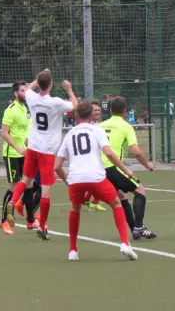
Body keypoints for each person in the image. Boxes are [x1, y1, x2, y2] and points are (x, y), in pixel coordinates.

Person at [55, 101, 138, 261]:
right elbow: (109, 153)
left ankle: (73, 250)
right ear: (92, 115)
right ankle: (125, 243)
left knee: (75, 208)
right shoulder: (97, 130)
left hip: (75, 178)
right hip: (96, 176)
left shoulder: (70, 134)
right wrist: (125, 169)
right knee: (116, 203)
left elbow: (57, 166)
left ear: (77, 115)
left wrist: (68, 181)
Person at [7, 69, 78, 240]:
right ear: (51, 84)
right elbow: (75, 106)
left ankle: (12, 202)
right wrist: (69, 90)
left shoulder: (31, 97)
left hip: (33, 146)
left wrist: (37, 79)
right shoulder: (56, 102)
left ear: (39, 83)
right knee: (46, 189)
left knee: (25, 179)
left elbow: (26, 90)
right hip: (47, 150)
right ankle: (43, 227)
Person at [100, 96, 157, 240]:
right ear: (124, 111)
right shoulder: (125, 126)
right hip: (111, 166)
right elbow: (136, 152)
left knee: (121, 196)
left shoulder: (100, 125)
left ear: (110, 110)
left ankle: (135, 230)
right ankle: (139, 226)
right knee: (140, 190)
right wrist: (147, 164)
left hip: (98, 168)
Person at [0, 81, 41, 235]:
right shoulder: (11, 110)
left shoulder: (26, 108)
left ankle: (31, 220)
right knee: (14, 186)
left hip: (27, 153)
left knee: (29, 184)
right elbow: (4, 133)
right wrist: (17, 147)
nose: (26, 92)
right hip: (12, 154)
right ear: (16, 93)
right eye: (23, 90)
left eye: (26, 89)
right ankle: (4, 221)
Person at [82, 100, 106, 212]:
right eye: (94, 110)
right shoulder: (86, 125)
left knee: (98, 180)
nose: (97, 112)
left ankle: (90, 201)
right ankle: (88, 200)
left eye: (98, 110)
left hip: (97, 158)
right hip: (87, 159)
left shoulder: (97, 125)